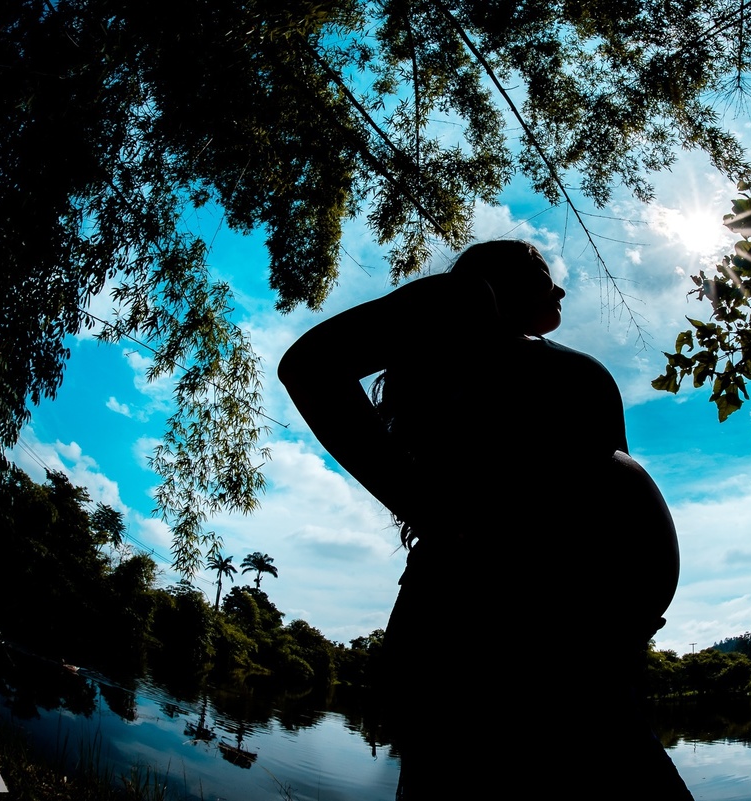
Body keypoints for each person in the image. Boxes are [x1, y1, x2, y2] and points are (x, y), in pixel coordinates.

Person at [279, 240, 691, 798]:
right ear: (507, 276)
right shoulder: (465, 300)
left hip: (580, 642)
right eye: (545, 274)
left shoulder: (539, 361)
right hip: (479, 627)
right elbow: (310, 366)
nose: (561, 288)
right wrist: (422, 507)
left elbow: (596, 488)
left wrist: (627, 610)